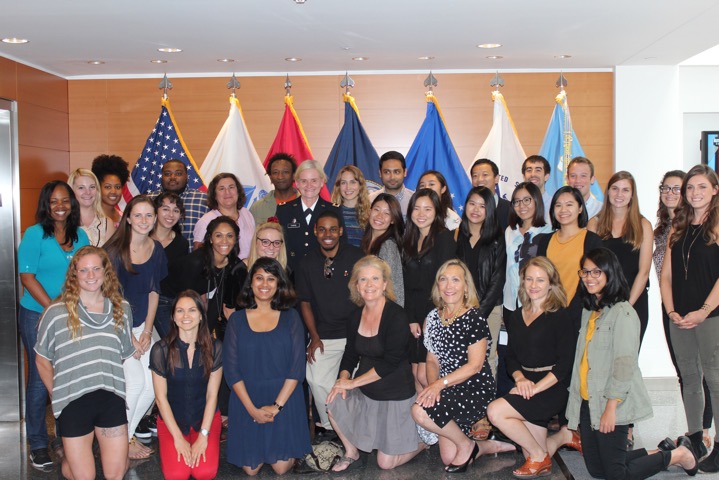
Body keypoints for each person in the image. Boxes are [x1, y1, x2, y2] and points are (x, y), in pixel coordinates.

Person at [569, 248, 699, 479]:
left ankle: (678, 455)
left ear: (611, 274)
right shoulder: (589, 311)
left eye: (597, 272)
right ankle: (662, 451)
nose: (589, 277)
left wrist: (611, 409)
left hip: (612, 401)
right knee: (597, 469)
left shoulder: (624, 313)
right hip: (589, 400)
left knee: (616, 475)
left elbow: (624, 364)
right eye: (585, 272)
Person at [35, 246, 135, 480]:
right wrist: (57, 394)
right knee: (84, 477)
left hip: (110, 398)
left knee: (116, 474)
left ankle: (87, 455)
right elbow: (41, 359)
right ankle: (68, 462)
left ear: (105, 272)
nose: (91, 276)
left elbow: (121, 354)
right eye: (84, 270)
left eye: (96, 269)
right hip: (73, 400)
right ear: (75, 275)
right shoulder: (56, 312)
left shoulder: (122, 308)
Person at [326, 256, 425, 472]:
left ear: (384, 284)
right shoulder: (354, 317)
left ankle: (426, 440)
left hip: (395, 395)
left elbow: (389, 363)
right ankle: (351, 452)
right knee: (333, 400)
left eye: (375, 279)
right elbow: (350, 354)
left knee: (385, 464)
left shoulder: (397, 316)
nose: (369, 285)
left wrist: (351, 384)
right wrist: (343, 379)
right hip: (367, 392)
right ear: (356, 285)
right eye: (363, 280)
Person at [18, 180, 90, 469]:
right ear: (46, 205)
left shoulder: (81, 235)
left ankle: (64, 438)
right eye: (54, 201)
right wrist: (53, 309)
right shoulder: (35, 234)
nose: (60, 206)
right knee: (39, 380)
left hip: (73, 315)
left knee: (68, 378)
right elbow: (27, 276)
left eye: (65, 201)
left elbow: (86, 273)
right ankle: (37, 443)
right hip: (37, 314)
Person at [486, 256, 574, 478]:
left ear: (551, 284)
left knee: (495, 411)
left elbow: (564, 366)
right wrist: (520, 379)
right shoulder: (515, 316)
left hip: (551, 386)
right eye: (529, 279)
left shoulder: (561, 316)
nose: (534, 285)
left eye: (541, 280)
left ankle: (538, 456)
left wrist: (534, 388)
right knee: (532, 453)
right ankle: (563, 438)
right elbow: (511, 356)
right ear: (522, 281)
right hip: (525, 383)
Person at [411, 259, 502, 473]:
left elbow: (475, 366)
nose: (448, 286)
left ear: (465, 286)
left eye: (455, 280)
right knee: (448, 457)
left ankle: (465, 444)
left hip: (474, 387)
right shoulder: (433, 317)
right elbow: (432, 360)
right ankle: (485, 446)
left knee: (419, 411)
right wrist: (433, 386)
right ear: (438, 286)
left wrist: (438, 386)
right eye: (443, 280)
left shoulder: (475, 318)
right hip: (446, 386)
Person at [224, 257, 312, 475]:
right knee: (251, 470)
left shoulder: (291, 317)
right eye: (259, 278)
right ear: (250, 283)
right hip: (247, 399)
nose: (265, 284)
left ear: (279, 284)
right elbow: (232, 370)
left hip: (283, 399)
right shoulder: (236, 320)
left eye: (271, 279)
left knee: (281, 468)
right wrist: (252, 409)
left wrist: (276, 406)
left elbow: (296, 368)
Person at [660, 165, 719, 472]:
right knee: (690, 378)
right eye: (690, 188)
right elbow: (666, 275)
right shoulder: (678, 227)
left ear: (714, 190)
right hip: (679, 316)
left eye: (701, 187)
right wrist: (671, 311)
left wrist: (703, 311)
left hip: (711, 316)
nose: (694, 193)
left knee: (715, 378)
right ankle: (696, 438)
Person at [104, 195, 168, 459]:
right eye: (138, 215)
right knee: (135, 383)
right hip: (115, 327)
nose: (144, 220)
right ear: (127, 218)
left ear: (155, 219)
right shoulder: (114, 252)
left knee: (154, 385)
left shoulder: (157, 248)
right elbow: (109, 299)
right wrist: (129, 336)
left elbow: (154, 292)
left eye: (149, 215)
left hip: (142, 326)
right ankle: (117, 441)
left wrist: (145, 332)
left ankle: (124, 438)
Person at [295, 210, 363, 436]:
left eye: (333, 229)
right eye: (322, 229)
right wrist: (314, 336)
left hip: (355, 336)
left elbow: (366, 298)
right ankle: (332, 426)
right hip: (323, 336)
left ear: (341, 231)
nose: (328, 234)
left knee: (353, 386)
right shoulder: (306, 263)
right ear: (315, 232)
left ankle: (354, 428)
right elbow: (304, 302)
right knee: (315, 379)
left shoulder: (356, 257)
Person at [150, 290, 223, 480]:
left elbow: (212, 396)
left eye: (192, 310)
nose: (186, 316)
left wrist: (204, 435)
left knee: (204, 473)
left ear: (200, 315)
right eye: (180, 311)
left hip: (205, 419)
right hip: (171, 422)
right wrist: (177, 439)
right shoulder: (161, 350)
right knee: (177, 475)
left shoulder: (215, 348)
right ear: (173, 317)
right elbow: (160, 398)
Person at [589, 171, 653, 342]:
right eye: (615, 188)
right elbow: (590, 269)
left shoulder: (643, 225)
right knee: (600, 361)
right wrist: (600, 300)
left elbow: (644, 271)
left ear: (632, 195)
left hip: (633, 302)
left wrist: (627, 306)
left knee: (626, 362)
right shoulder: (594, 224)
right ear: (608, 191)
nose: (619, 194)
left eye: (625, 190)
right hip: (601, 302)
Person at [402, 189, 457, 391]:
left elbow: (444, 283)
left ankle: (442, 419)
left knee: (427, 375)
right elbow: (404, 283)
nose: (421, 213)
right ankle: (421, 421)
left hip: (435, 310)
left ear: (437, 212)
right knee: (415, 372)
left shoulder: (444, 238)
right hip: (412, 312)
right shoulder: (408, 239)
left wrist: (431, 316)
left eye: (427, 208)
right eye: (417, 208)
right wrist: (410, 317)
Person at [502, 182, 552, 396]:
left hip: (535, 305)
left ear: (536, 202)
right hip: (510, 303)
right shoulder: (509, 231)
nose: (521, 206)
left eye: (527, 200)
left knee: (534, 354)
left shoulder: (548, 231)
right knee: (510, 352)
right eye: (516, 201)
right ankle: (511, 399)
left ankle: (535, 402)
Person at [164, 216, 247, 339]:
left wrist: (206, 336)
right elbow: (184, 303)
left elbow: (218, 304)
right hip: (166, 301)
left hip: (192, 303)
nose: (224, 241)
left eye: (230, 236)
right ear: (211, 239)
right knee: (181, 342)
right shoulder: (195, 262)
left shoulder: (233, 265)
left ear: (236, 239)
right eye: (218, 235)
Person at [455, 186, 505, 380]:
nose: (475, 209)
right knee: (461, 358)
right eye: (472, 203)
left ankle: (486, 407)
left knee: (486, 358)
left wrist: (479, 313)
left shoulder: (497, 238)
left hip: (489, 309)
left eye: (482, 206)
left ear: (489, 210)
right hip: (459, 307)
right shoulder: (459, 235)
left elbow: (498, 279)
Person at [536, 185, 603, 327]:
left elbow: (595, 280)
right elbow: (541, 278)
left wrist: (570, 312)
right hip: (548, 313)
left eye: (569, 204)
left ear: (580, 208)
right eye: (558, 205)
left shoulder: (591, 240)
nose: (563, 210)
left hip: (580, 314)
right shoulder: (545, 241)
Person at [276, 160, 342, 272]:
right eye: (304, 181)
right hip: (291, 275)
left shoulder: (333, 210)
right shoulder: (284, 210)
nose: (309, 186)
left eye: (314, 181)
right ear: (297, 183)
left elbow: (341, 245)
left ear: (322, 182)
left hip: (323, 274)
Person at [193, 172, 255, 260]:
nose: (227, 192)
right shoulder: (206, 221)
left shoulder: (247, 214)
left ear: (238, 191)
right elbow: (198, 255)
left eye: (231, 187)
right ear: (214, 195)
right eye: (221, 189)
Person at [152, 192, 189, 339]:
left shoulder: (182, 243)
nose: (171, 214)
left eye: (176, 210)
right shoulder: (142, 237)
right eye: (165, 209)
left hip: (170, 302)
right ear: (155, 211)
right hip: (143, 300)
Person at [148, 158, 209, 245]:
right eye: (167, 174)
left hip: (192, 256)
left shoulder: (204, 200)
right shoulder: (149, 200)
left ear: (187, 176)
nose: (172, 177)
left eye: (178, 173)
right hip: (154, 256)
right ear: (162, 176)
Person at [360, 193, 405, 306]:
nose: (380, 216)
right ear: (370, 211)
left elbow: (394, 288)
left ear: (393, 220)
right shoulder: (366, 240)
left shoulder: (388, 246)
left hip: (383, 313)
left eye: (387, 213)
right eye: (377, 210)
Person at [68, 168, 116, 246]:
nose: (88, 192)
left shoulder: (107, 224)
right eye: (81, 187)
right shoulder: (64, 223)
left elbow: (111, 257)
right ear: (71, 191)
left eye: (92, 187)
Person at [250, 152, 299, 224]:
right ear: (270, 177)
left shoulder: (306, 204)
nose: (280, 177)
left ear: (294, 175)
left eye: (285, 172)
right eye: (275, 172)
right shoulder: (258, 207)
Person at [330, 165, 370, 247]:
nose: (348, 187)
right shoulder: (331, 213)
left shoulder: (370, 214)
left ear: (360, 185)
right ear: (338, 187)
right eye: (343, 183)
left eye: (353, 182)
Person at [369, 151, 415, 217]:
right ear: (380, 173)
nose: (392, 177)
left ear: (405, 172)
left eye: (397, 172)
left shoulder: (415, 201)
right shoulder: (370, 201)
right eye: (387, 172)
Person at [470, 158, 512, 231]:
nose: (480, 179)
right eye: (475, 176)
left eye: (485, 174)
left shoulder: (510, 208)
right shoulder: (469, 209)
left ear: (496, 178)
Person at [91, 154, 130, 226]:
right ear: (98, 187)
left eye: (117, 187)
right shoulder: (91, 217)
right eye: (108, 187)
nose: (113, 191)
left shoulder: (123, 218)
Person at [566, 156, 602, 220]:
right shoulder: (560, 210)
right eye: (573, 176)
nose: (578, 180)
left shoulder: (601, 210)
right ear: (567, 179)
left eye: (583, 176)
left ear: (592, 179)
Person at [521, 155, 552, 221]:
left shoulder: (554, 205)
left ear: (546, 176)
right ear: (523, 176)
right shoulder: (518, 205)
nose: (533, 174)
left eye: (538, 170)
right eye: (529, 170)